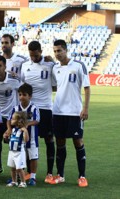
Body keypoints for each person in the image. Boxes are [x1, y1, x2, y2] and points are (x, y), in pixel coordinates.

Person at [49, 39, 90, 187]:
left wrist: (85, 108)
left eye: (59, 50)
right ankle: (60, 175)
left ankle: (82, 176)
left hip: (74, 112)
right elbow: (55, 87)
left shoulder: (79, 65)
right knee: (60, 143)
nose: (57, 54)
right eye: (55, 51)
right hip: (58, 111)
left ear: (66, 50)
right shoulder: (54, 68)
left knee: (78, 142)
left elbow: (87, 88)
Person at [20, 41, 56, 183]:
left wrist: (53, 61)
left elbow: (55, 86)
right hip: (29, 109)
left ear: (41, 51)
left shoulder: (49, 65)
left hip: (46, 108)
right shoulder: (25, 66)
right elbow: (23, 86)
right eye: (31, 55)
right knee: (28, 140)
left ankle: (49, 173)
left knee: (49, 139)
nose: (34, 57)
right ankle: (29, 171)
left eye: (36, 55)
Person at [7, 83, 40, 186]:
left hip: (32, 136)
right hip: (18, 138)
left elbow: (37, 120)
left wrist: (26, 124)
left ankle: (33, 177)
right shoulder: (15, 108)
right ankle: (17, 177)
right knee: (19, 156)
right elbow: (9, 119)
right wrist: (8, 129)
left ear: (30, 96)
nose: (21, 97)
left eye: (24, 94)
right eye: (20, 94)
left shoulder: (34, 108)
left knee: (33, 156)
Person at [4, 111, 29, 188]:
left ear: (19, 121)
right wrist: (5, 137)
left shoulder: (22, 130)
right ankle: (14, 181)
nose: (11, 120)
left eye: (13, 119)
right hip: (11, 151)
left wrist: (25, 131)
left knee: (19, 168)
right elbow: (9, 140)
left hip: (19, 152)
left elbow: (26, 140)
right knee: (12, 168)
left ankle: (23, 182)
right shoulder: (13, 130)